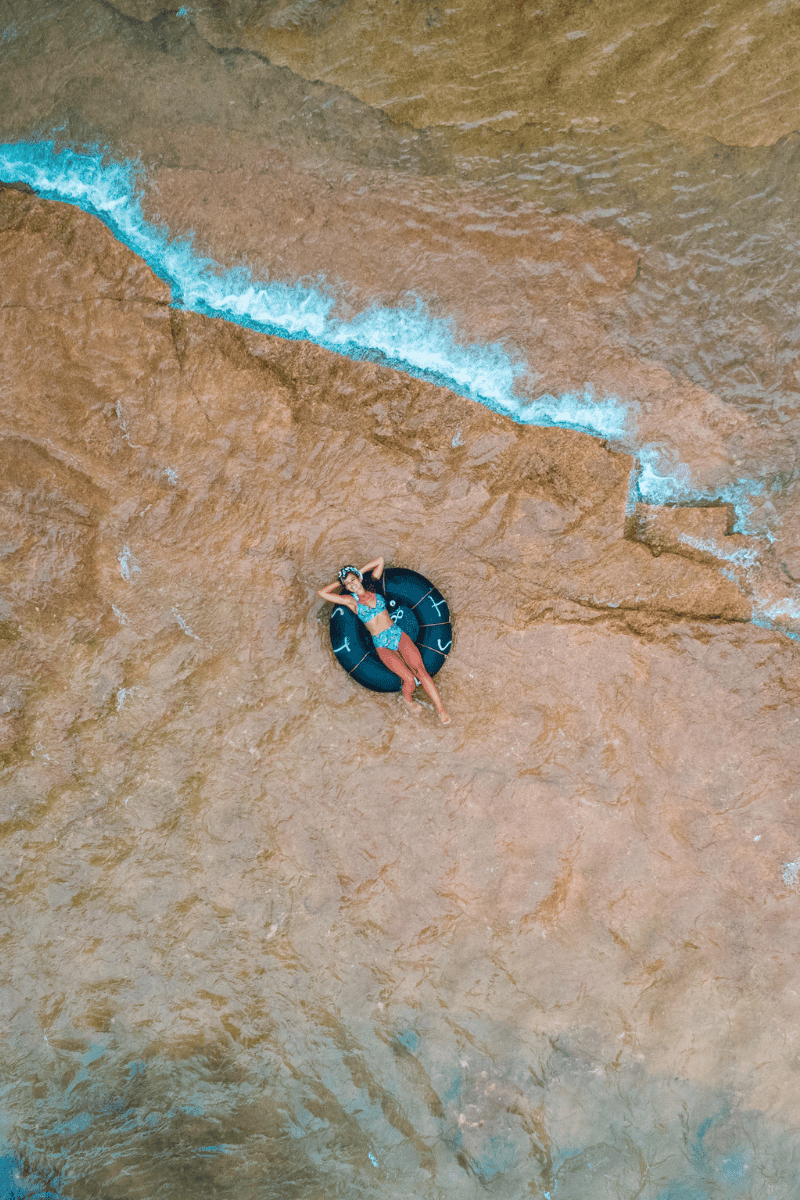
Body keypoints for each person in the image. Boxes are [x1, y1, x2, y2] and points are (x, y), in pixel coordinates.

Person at [318, 557, 451, 725]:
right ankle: (408, 701)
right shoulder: (351, 601)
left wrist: (359, 572)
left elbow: (380, 561)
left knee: (421, 671)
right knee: (408, 679)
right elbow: (322, 593)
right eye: (347, 584)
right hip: (381, 644)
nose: (351, 584)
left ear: (359, 578)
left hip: (397, 634)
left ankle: (441, 709)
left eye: (353, 579)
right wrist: (340, 582)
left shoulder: (375, 587)